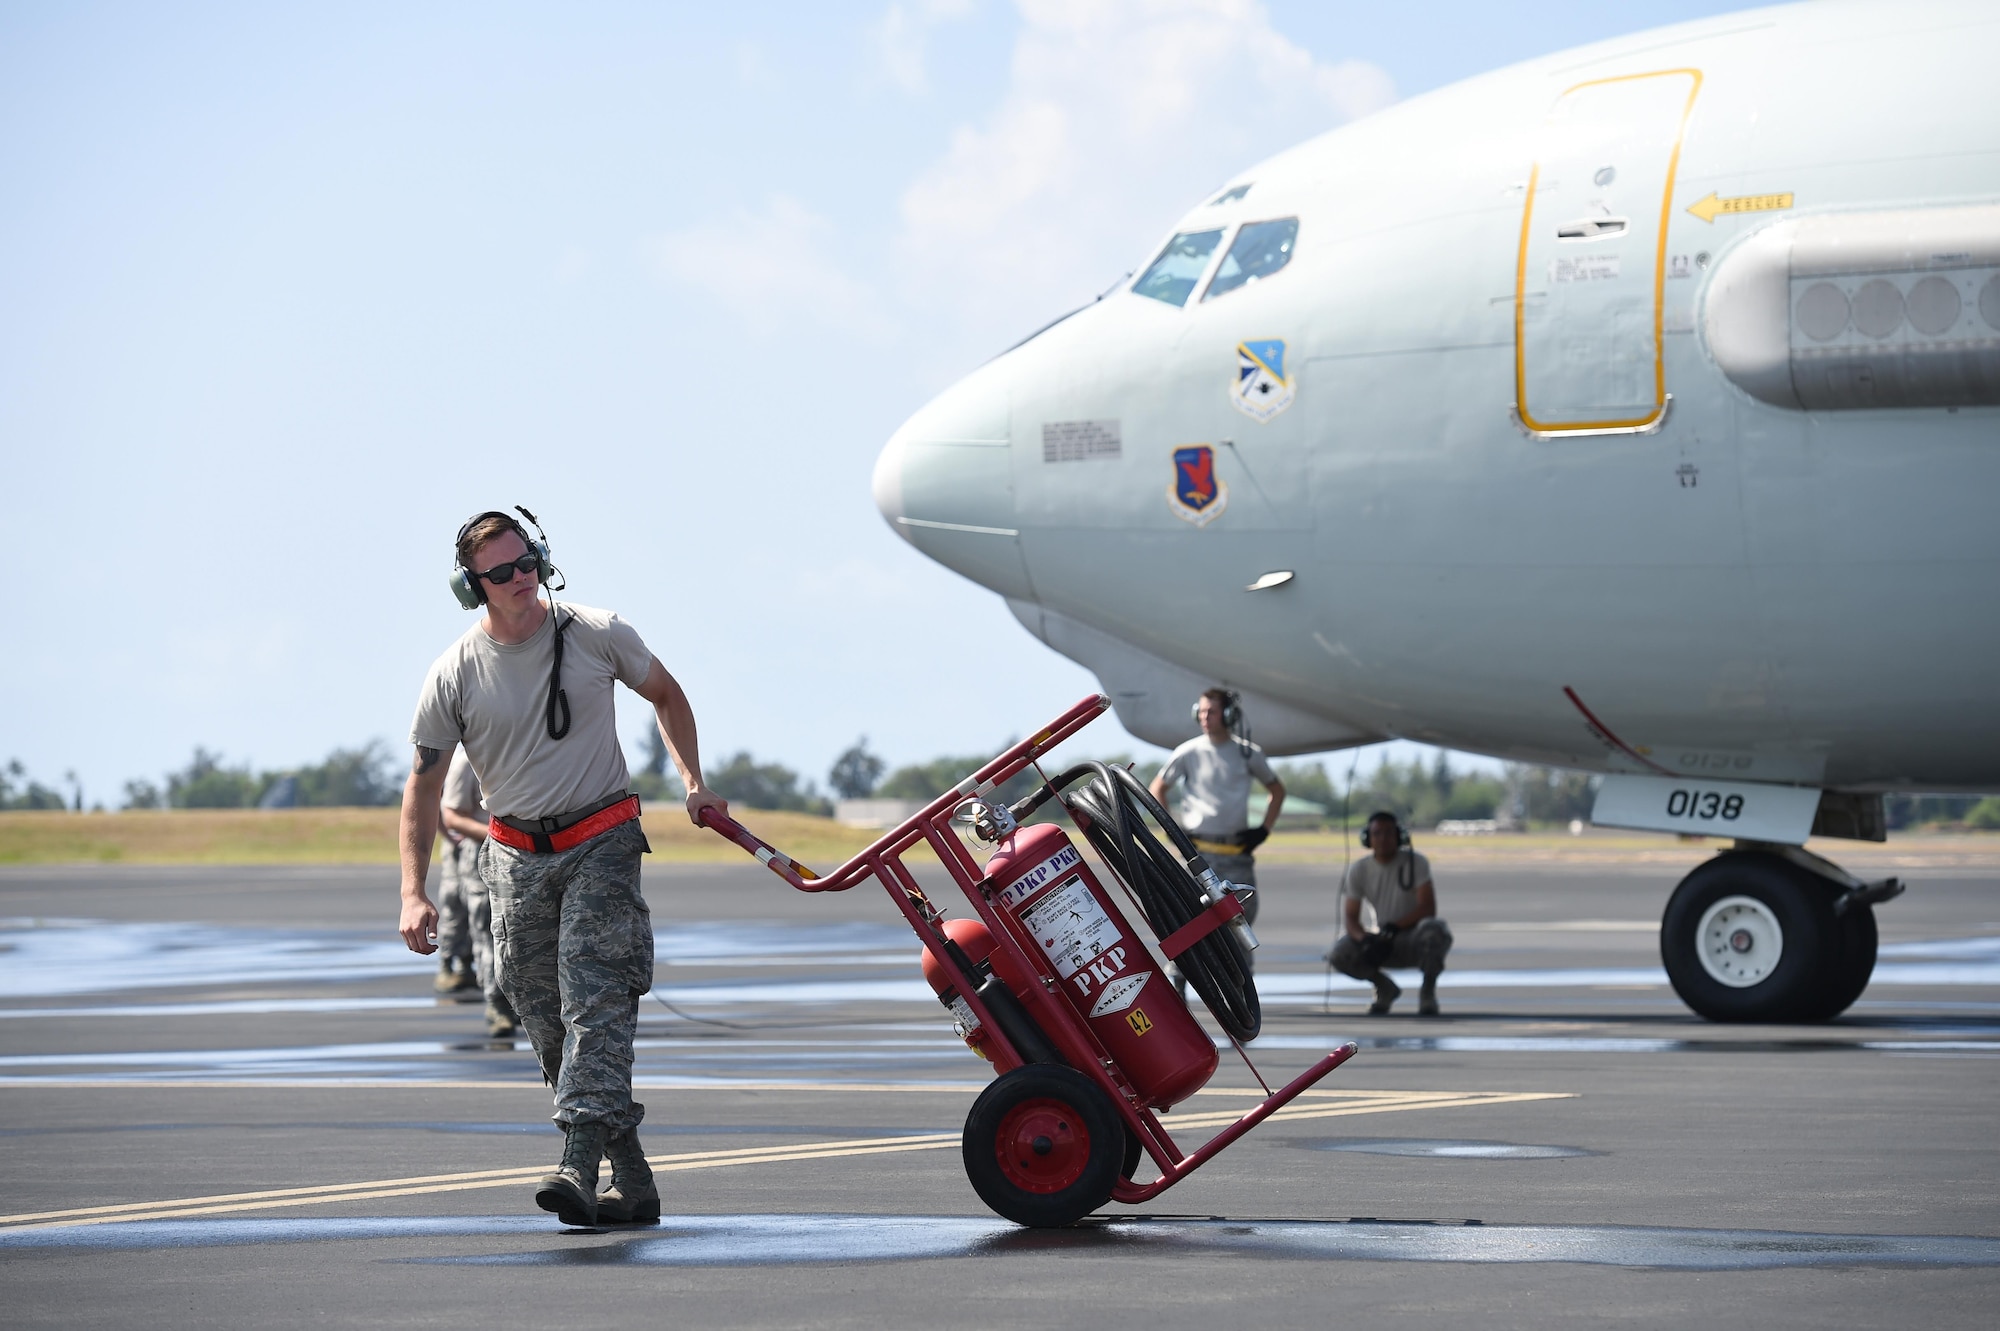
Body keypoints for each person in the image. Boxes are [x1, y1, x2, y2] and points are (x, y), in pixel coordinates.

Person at [397, 507, 727, 1228]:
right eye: (502, 571)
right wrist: (413, 890)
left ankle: (578, 1162)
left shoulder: (597, 631)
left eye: (528, 561)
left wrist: (692, 781)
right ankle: (633, 1181)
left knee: (594, 1001)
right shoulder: (454, 671)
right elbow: (422, 784)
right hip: (514, 857)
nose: (523, 578)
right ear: (471, 586)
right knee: (548, 1023)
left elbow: (666, 693)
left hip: (602, 838)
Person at [1149, 687, 1285, 938]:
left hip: (1237, 857)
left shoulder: (1248, 753)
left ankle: (1241, 978)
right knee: (1189, 927)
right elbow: (1157, 788)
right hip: (1197, 856)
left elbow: (1277, 791)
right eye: (1200, 712)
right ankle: (1179, 977)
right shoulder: (1188, 751)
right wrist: (1172, 829)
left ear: (1229, 714)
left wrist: (1263, 830)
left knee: (1240, 930)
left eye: (1211, 711)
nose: (1204, 717)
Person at [1329, 811, 1454, 1016]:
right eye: (1377, 833)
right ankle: (1384, 988)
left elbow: (1428, 908)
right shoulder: (1359, 869)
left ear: (1399, 836)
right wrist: (1365, 940)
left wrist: (1396, 926)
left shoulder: (1416, 863)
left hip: (1413, 939)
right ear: (1367, 838)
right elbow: (1351, 917)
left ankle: (1428, 992)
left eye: (1388, 833)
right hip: (1381, 942)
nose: (1383, 839)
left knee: (1435, 930)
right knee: (1339, 952)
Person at [437, 747, 518, 1037]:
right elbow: (452, 816)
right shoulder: (464, 761)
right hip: (486, 850)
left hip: (528, 851)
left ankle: (523, 1002)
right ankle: (497, 1005)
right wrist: (504, 837)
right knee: (490, 933)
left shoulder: (521, 747)